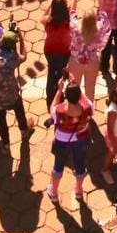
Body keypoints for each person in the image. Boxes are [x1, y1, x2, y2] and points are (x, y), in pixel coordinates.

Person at [47, 77, 93, 205]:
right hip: (81, 138)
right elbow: (85, 99)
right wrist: (75, 85)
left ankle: (54, 192)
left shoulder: (60, 110)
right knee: (80, 163)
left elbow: (52, 109)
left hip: (62, 140)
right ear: (79, 96)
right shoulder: (88, 106)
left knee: (58, 165)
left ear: (66, 97)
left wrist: (59, 90)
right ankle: (78, 191)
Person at [0, 29, 29, 145]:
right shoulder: (13, 58)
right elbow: (24, 56)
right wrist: (21, 39)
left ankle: (5, 145)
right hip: (10, 96)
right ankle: (24, 130)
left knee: (1, 120)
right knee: (19, 109)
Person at [42, 0, 73, 122]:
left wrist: (50, 6)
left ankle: (51, 95)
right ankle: (61, 93)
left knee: (51, 72)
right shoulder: (68, 22)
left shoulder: (48, 22)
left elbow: (42, 17)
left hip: (49, 50)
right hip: (64, 51)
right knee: (62, 72)